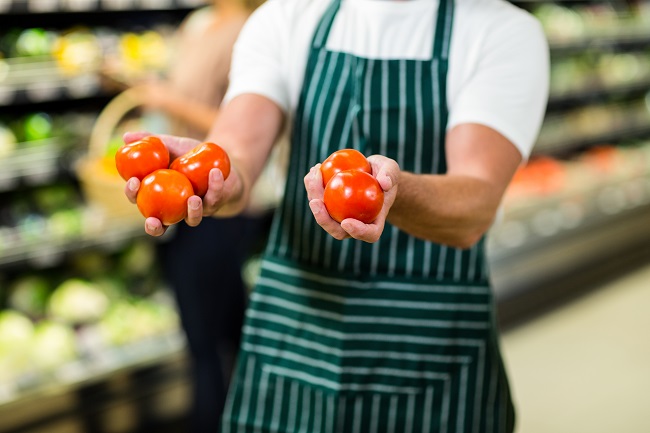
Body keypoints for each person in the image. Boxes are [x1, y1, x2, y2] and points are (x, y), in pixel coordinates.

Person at [123, 0, 549, 431]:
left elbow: (474, 204)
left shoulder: (500, 31)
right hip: (299, 327)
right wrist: (215, 177)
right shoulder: (287, 16)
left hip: (430, 335)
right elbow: (237, 151)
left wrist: (392, 192)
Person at [118, 1, 270, 432]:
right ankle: (245, 414)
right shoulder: (198, 22)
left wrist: (167, 100)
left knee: (205, 334)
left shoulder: (249, 28)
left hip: (215, 194)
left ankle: (212, 419)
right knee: (221, 321)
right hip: (174, 186)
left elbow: (239, 126)